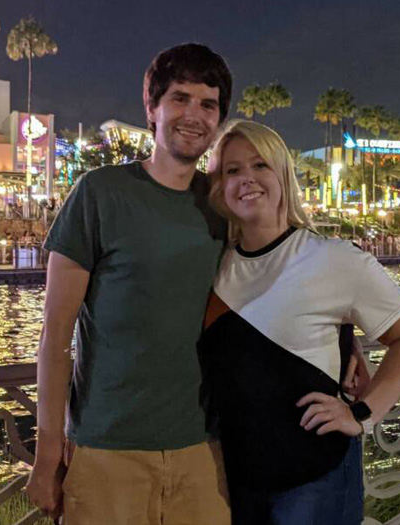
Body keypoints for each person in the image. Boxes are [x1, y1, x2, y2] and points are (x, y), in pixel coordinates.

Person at [26, 43, 234, 525]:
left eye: (208, 104)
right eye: (180, 98)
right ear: (152, 109)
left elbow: (278, 288)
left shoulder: (224, 206)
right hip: (106, 450)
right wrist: (47, 453)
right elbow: (56, 335)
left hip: (204, 449)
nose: (194, 115)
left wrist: (342, 344)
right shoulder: (99, 194)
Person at [200, 120, 400, 524]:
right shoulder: (215, 265)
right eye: (232, 170)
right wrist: (348, 339)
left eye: (260, 166)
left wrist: (361, 414)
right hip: (238, 477)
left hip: (314, 477)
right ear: (219, 187)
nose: (247, 179)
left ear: (283, 175)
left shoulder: (334, 257)